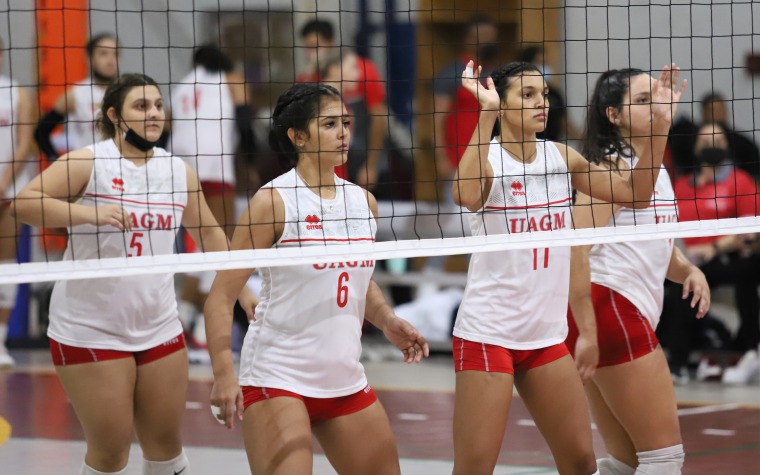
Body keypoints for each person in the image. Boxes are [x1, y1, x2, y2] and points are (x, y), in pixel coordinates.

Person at [13, 73, 255, 475]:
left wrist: (241, 288)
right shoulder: (90, 161)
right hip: (90, 328)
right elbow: (23, 204)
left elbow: (209, 232)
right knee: (111, 455)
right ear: (115, 115)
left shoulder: (178, 171)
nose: (154, 113)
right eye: (142, 106)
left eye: (159, 105)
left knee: (166, 450)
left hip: (158, 324)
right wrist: (90, 214)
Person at [450, 60, 684, 475]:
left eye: (543, 94)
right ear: (500, 105)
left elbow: (637, 195)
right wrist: (484, 115)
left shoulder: (560, 156)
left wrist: (660, 128)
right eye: (527, 96)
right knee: (475, 468)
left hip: (546, 336)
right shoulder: (487, 160)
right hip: (489, 334)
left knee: (581, 463)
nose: (542, 103)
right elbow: (466, 194)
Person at [203, 83, 429, 474]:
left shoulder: (364, 202)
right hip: (278, 375)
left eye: (345, 122)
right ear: (299, 137)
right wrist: (224, 372)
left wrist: (388, 319)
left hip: (343, 376)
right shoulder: (274, 201)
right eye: (329, 124)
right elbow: (221, 297)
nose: (344, 132)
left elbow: (358, 279)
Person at [566, 68, 709, 475]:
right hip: (609, 307)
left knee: (627, 462)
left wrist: (688, 270)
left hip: (613, 311)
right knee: (663, 459)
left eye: (656, 98)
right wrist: (589, 328)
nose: (657, 107)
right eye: (643, 101)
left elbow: (651, 240)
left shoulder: (655, 171)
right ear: (614, 115)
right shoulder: (611, 167)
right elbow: (575, 242)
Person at [171, 44, 256, 350]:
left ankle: (187, 317)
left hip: (181, 170)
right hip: (216, 168)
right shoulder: (231, 78)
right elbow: (246, 123)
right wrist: (250, 162)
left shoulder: (181, 86)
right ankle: (195, 322)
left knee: (202, 243)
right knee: (223, 245)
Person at [663, 122, 760, 385]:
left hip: (726, 257)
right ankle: (679, 363)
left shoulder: (740, 180)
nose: (710, 146)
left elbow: (750, 230)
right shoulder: (682, 186)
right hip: (688, 258)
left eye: (716, 140)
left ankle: (748, 350)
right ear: (696, 148)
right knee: (681, 281)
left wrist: (714, 247)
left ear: (727, 146)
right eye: (705, 141)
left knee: (748, 270)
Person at [298, 19, 387, 189]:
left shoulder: (363, 71)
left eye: (315, 46)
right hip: (326, 169)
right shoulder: (307, 79)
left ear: (331, 43)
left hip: (356, 160)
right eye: (307, 48)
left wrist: (371, 164)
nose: (311, 53)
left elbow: (379, 118)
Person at [0, 35, 35, 368]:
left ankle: (0, 342)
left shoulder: (16, 93)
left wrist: (4, 182)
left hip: (10, 192)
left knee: (6, 263)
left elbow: (25, 144)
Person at [432, 15, 500, 183]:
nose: (491, 42)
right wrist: (441, 157)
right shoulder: (452, 73)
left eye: (493, 37)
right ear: (470, 39)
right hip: (459, 159)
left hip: (493, 158)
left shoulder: (497, 73)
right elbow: (437, 119)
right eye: (486, 37)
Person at [34, 33, 119, 160]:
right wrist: (57, 162)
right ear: (89, 58)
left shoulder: (127, 91)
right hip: (87, 169)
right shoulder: (76, 94)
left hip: (122, 169)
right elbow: (40, 133)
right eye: (103, 54)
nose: (111, 60)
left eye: (115, 54)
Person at [518, 44, 582, 143]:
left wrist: (587, 140)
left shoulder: (555, 93)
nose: (544, 67)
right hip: (525, 146)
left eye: (546, 63)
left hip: (552, 149)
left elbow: (564, 123)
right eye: (540, 62)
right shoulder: (518, 92)